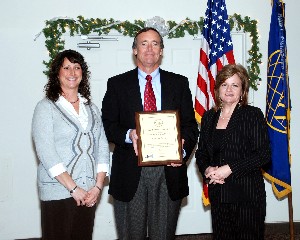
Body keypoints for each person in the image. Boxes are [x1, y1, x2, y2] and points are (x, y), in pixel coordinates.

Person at [101, 27, 199, 240]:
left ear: (161, 51)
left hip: (168, 173)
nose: (149, 48)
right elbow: (108, 125)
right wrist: (129, 134)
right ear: (135, 50)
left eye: (155, 43)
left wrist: (181, 150)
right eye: (143, 43)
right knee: (131, 235)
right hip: (130, 172)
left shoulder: (179, 83)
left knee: (163, 235)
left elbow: (191, 127)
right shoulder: (117, 84)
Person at [32, 49, 110, 240]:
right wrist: (74, 189)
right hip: (58, 191)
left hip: (89, 192)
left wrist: (97, 187)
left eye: (77, 67)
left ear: (83, 73)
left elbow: (102, 147)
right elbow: (46, 153)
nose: (72, 73)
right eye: (66, 67)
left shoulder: (91, 108)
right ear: (57, 73)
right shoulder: (46, 107)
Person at [195, 64, 271, 240]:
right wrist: (207, 169)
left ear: (242, 90)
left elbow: (263, 154)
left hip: (247, 195)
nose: (229, 89)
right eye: (224, 85)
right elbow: (202, 153)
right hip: (219, 194)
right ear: (218, 89)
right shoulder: (209, 117)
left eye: (235, 85)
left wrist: (229, 168)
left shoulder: (252, 115)